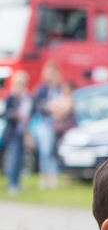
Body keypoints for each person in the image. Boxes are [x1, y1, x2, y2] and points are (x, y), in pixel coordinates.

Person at [30, 62, 64, 190]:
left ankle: (53, 176)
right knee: (45, 150)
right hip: (45, 122)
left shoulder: (60, 88)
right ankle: (45, 176)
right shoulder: (42, 89)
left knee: (54, 150)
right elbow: (35, 106)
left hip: (58, 122)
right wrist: (48, 106)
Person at [3, 69, 32, 194]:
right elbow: (4, 113)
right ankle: (12, 184)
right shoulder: (11, 97)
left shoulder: (26, 97)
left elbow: (31, 110)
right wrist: (15, 114)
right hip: (13, 132)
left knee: (20, 159)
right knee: (13, 159)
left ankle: (16, 183)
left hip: (22, 132)